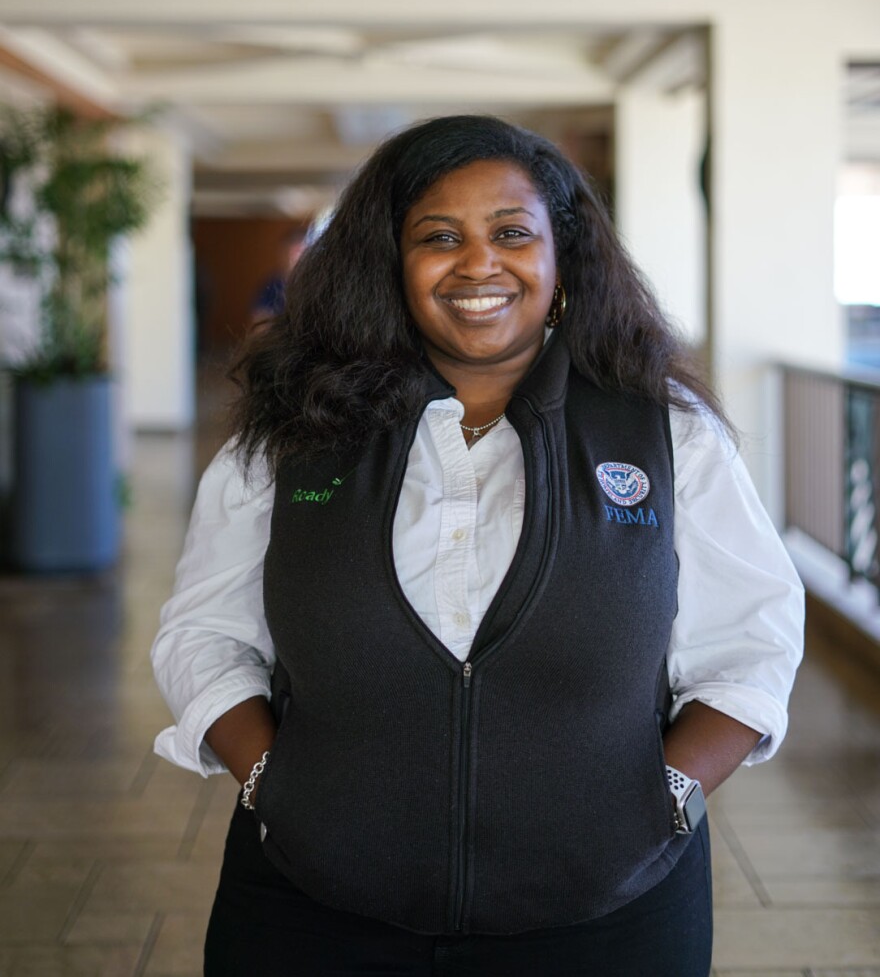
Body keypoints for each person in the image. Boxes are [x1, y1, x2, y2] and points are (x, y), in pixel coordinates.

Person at [152, 115, 804, 977]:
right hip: (311, 912)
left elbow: (752, 643)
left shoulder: (665, 435)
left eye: (512, 233)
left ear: (560, 255)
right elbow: (204, 633)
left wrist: (664, 802)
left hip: (608, 919)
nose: (479, 263)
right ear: (389, 260)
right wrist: (277, 786)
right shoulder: (290, 434)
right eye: (438, 237)